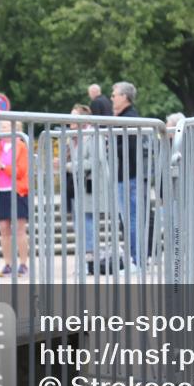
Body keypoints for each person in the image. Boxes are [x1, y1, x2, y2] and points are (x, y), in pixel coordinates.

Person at [65, 104, 109, 276]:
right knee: (79, 224)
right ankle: (86, 261)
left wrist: (69, 166)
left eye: (73, 116)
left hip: (91, 186)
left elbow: (95, 161)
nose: (69, 120)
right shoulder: (74, 138)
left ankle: (90, 262)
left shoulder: (93, 136)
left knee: (87, 224)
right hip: (79, 186)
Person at [0, 120, 30, 277]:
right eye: (1, 127)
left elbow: (21, 171)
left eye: (5, 127)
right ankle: (8, 264)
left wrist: (3, 167)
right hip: (0, 191)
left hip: (18, 191)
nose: (2, 129)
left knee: (19, 229)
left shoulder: (21, 146)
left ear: (14, 129)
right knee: (4, 229)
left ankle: (23, 264)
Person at [111, 81, 143, 268]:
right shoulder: (124, 116)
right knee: (129, 218)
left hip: (128, 175)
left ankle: (135, 259)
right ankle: (135, 258)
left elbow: (130, 147)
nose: (112, 98)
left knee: (130, 218)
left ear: (124, 97)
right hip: (126, 175)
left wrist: (111, 143)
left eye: (114, 94)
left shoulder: (129, 117)